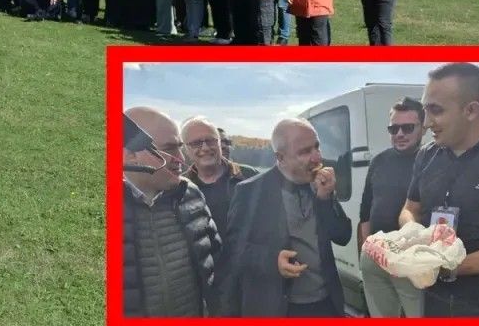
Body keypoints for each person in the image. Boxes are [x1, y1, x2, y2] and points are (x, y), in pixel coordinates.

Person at [399, 62, 479, 316]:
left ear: (471, 110)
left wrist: (448, 266)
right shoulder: (427, 155)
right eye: (425, 109)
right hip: (434, 300)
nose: (426, 123)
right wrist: (413, 237)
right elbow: (409, 209)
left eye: (436, 110)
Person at [213, 118, 351, 317]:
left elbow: (343, 236)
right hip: (280, 308)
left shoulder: (320, 184)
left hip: (326, 304)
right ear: (281, 157)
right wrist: (271, 260)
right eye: (304, 152)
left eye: (317, 147)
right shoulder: (250, 191)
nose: (317, 157)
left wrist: (325, 198)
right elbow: (234, 251)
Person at [123, 106, 221, 317]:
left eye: (179, 147)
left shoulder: (190, 193)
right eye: (169, 149)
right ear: (131, 155)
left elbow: (216, 260)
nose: (181, 160)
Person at [357, 97, 426, 318]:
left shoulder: (433, 161)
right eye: (393, 128)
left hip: (412, 263)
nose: (400, 134)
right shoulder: (378, 161)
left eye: (408, 127)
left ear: (423, 129)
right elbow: (366, 210)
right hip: (376, 259)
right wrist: (365, 252)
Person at [181, 116, 258, 237]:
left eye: (211, 140)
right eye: (196, 143)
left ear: (219, 143)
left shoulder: (249, 176)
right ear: (185, 149)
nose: (205, 148)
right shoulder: (179, 188)